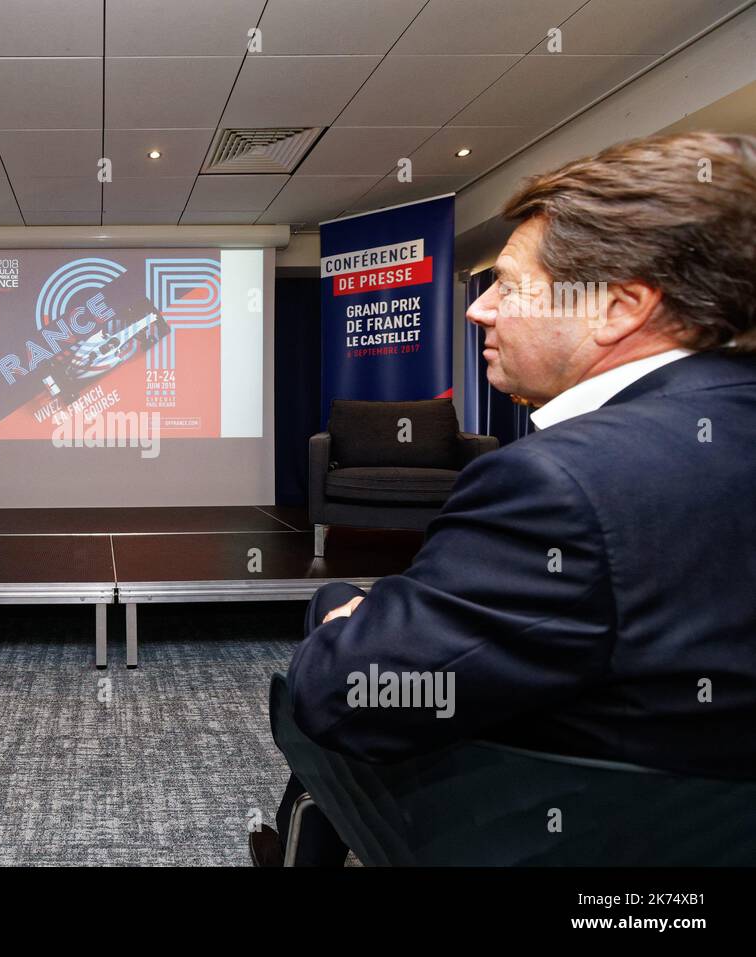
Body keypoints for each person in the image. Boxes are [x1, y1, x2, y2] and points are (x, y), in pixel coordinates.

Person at [257, 131, 756, 866]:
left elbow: (356, 695)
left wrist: (342, 614)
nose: (477, 309)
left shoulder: (561, 484)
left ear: (618, 307)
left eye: (510, 286)